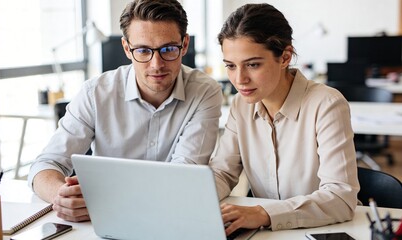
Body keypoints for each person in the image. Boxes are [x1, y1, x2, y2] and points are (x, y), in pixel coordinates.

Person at [28, 0, 222, 222]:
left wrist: (108, 199)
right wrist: (61, 196)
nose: (156, 64)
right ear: (127, 48)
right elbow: (46, 165)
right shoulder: (95, 93)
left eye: (168, 49)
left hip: (169, 217)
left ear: (184, 45)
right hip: (101, 220)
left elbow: (182, 178)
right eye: (143, 50)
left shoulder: (205, 91)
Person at [209, 3, 360, 236]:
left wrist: (265, 214)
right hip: (269, 233)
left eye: (252, 64)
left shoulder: (327, 104)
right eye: (230, 66)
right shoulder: (241, 105)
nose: (239, 80)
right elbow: (223, 172)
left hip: (324, 231)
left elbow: (340, 198)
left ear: (285, 57)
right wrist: (196, 201)